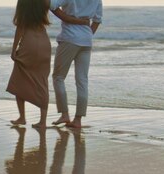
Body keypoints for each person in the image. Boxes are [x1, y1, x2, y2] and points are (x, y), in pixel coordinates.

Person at [7, 0, 89, 129]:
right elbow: (63, 16)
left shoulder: (24, 2)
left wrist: (13, 50)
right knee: (42, 81)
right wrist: (82, 22)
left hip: (29, 43)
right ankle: (42, 121)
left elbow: (20, 27)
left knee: (19, 80)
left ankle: (22, 117)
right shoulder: (44, 2)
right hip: (44, 43)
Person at [49, 0, 103, 128]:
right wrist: (86, 33)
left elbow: (51, 5)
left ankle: (64, 114)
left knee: (58, 77)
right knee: (82, 80)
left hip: (69, 38)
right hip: (86, 39)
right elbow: (97, 20)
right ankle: (78, 120)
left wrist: (70, 20)